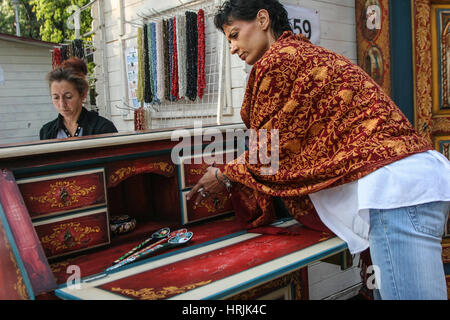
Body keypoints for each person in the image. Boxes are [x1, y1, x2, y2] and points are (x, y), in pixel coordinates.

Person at [186, 0, 450, 300]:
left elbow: (270, 153)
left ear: (262, 20)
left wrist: (223, 174)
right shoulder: (313, 56)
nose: (232, 47)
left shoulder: (278, 61)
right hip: (413, 182)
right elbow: (298, 140)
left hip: (395, 194)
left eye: (234, 34)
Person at [40, 57, 117, 140]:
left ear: (83, 95)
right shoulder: (46, 131)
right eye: (56, 97)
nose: (62, 104)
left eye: (68, 97)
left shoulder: (102, 128)